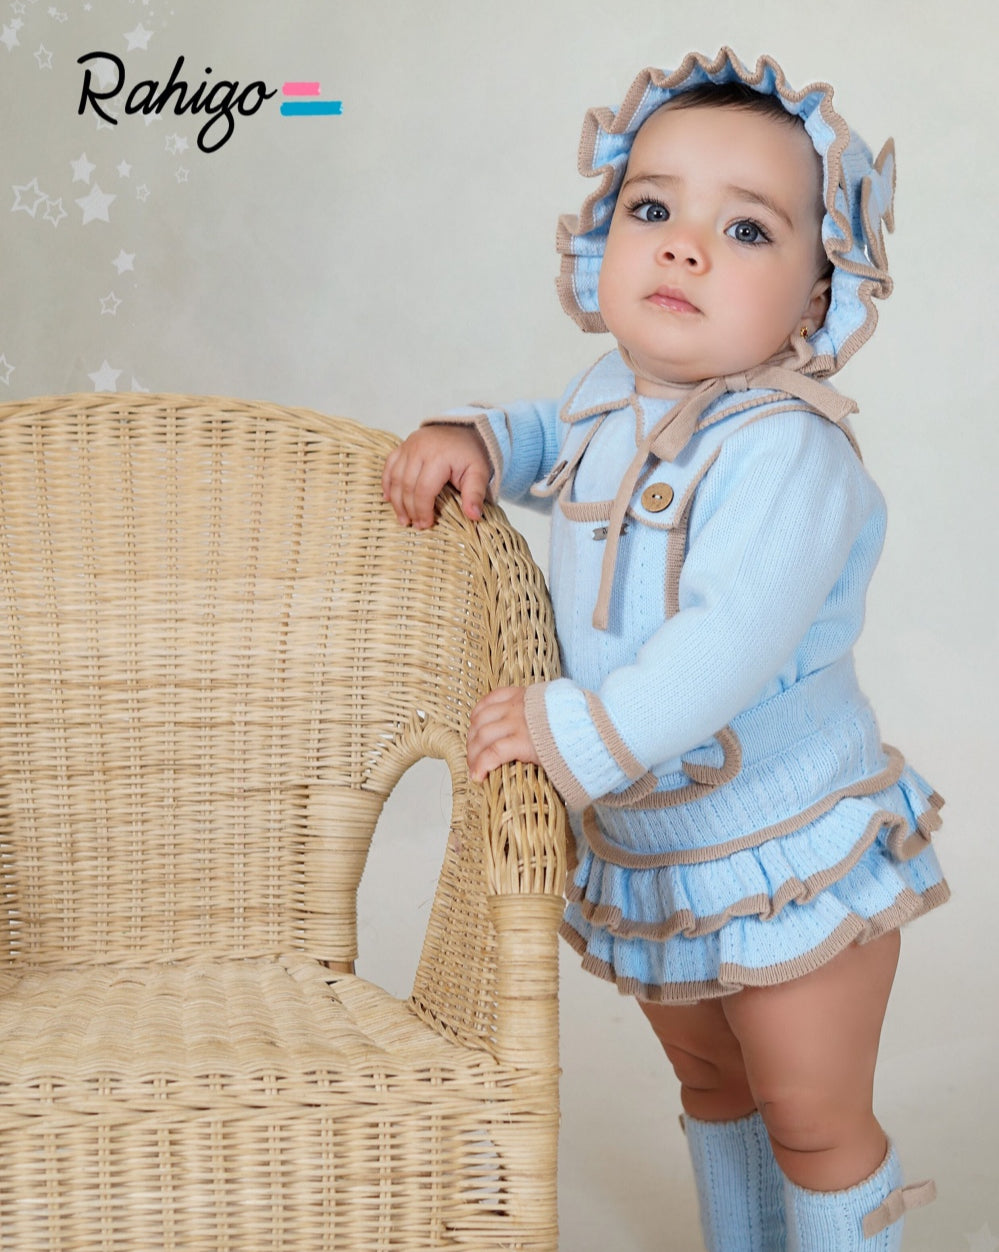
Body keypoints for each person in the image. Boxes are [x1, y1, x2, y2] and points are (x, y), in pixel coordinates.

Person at [382, 48, 948, 1251]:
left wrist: (574, 729)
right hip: (657, 849)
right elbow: (551, 434)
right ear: (605, 242)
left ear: (816, 299)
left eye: (744, 230)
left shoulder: (790, 453)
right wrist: (478, 438)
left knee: (809, 1112)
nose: (684, 247)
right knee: (713, 1082)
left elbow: (728, 639)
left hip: (786, 842)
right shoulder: (609, 392)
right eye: (653, 210)